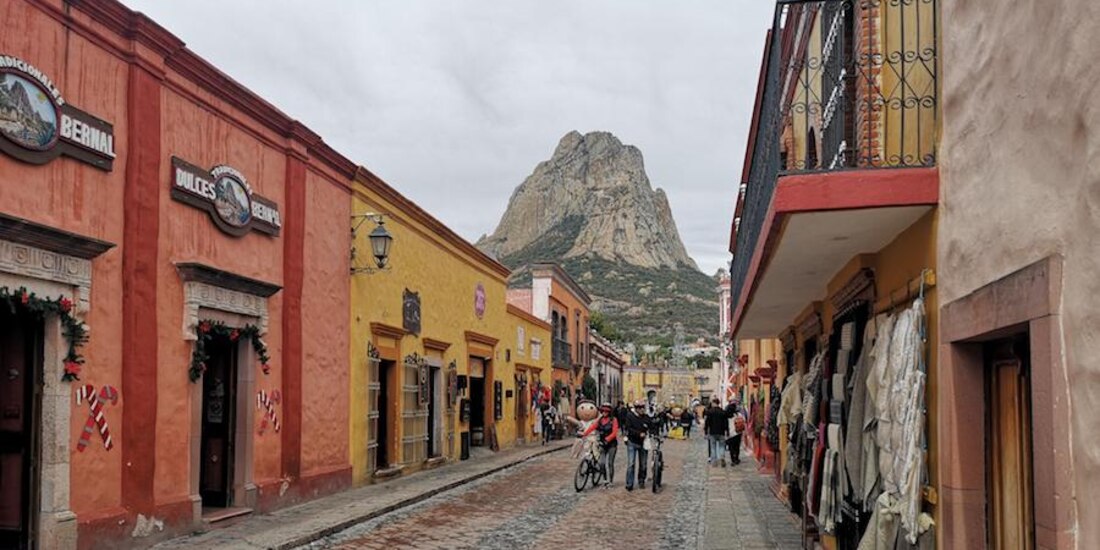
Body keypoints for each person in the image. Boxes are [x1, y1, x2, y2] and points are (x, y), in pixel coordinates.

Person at [581, 403, 619, 486]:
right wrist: (584, 434)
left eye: (606, 411)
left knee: (610, 463)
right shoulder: (600, 420)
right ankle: (605, 479)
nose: (604, 412)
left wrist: (607, 439)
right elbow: (592, 427)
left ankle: (611, 481)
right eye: (603, 411)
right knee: (602, 463)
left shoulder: (614, 420)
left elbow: (615, 432)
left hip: (612, 444)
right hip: (602, 443)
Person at [622, 399, 653, 491]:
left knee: (643, 464)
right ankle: (629, 483)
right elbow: (628, 428)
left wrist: (652, 431)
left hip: (643, 443)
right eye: (639, 408)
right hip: (632, 442)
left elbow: (651, 426)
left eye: (643, 407)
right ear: (635, 408)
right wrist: (638, 433)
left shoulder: (646, 417)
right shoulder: (630, 416)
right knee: (631, 464)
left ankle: (641, 480)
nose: (641, 409)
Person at [704, 398, 729, 467]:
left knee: (713, 447)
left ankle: (714, 461)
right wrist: (727, 431)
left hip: (712, 432)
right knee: (721, 446)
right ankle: (722, 457)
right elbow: (726, 423)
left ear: (714, 403)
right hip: (721, 432)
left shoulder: (710, 412)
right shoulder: (723, 412)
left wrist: (706, 431)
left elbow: (707, 422)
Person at [725, 399, 744, 465]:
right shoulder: (738, 414)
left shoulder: (726, 416)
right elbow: (743, 421)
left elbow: (725, 425)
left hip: (730, 433)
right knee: (737, 447)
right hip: (738, 433)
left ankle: (733, 460)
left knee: (731, 448)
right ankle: (736, 458)